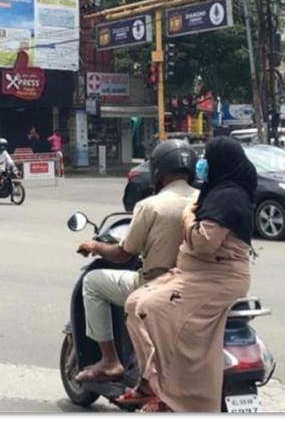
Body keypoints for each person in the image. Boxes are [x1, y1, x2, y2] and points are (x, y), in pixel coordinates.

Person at [122, 137, 257, 412]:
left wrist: (187, 216)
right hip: (196, 274)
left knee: (149, 310)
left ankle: (169, 394)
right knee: (135, 302)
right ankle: (150, 380)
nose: (203, 163)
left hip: (215, 278)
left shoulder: (229, 196)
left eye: (208, 157)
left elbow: (204, 242)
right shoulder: (216, 191)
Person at [73, 139, 198, 384]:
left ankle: (110, 360)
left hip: (155, 286)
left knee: (92, 282)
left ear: (158, 171)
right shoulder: (204, 200)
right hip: (196, 286)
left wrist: (95, 246)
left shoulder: (149, 206)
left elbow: (123, 254)